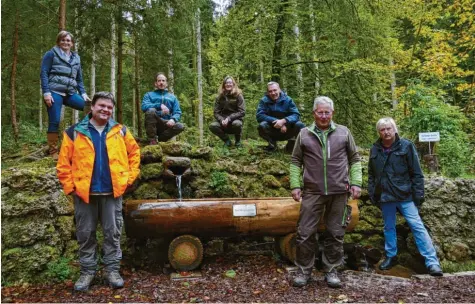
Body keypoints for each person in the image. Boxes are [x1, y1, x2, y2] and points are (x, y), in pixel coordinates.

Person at [57, 92, 141, 291]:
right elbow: (63, 164)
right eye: (101, 106)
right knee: (85, 235)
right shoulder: (74, 132)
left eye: (109, 107)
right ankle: (87, 273)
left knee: (113, 234)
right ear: (92, 107)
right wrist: (71, 187)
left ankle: (112, 271)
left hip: (112, 193)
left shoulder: (120, 131)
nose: (105, 110)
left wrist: (127, 179)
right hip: (85, 195)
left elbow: (135, 153)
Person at [289, 96, 362, 288]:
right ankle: (304, 270)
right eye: (320, 112)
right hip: (312, 191)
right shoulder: (304, 134)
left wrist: (356, 183)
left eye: (326, 112)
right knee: (305, 232)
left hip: (339, 191)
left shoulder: (344, 133)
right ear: (314, 113)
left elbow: (354, 159)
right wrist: (295, 185)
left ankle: (331, 270)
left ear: (332, 113)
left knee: (336, 233)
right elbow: (296, 161)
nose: (323, 116)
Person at [368, 117, 443, 276]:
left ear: (395, 129)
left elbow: (416, 173)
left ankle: (432, 262)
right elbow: (371, 174)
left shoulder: (407, 146)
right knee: (388, 227)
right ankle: (391, 256)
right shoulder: (375, 149)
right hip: (385, 195)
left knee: (417, 226)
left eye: (389, 128)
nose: (386, 132)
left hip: (405, 195)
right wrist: (373, 192)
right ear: (379, 132)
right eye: (383, 129)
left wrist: (418, 196)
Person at [40, 30, 91, 159]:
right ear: (58, 41)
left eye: (68, 40)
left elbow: (79, 78)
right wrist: (46, 92)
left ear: (72, 43)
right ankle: (53, 151)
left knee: (90, 109)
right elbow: (44, 73)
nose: (65, 42)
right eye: (63, 40)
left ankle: (81, 140)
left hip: (70, 93)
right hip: (54, 92)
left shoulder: (76, 58)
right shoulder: (51, 54)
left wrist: (83, 93)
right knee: (55, 120)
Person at [256, 82, 305, 152]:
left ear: (279, 90)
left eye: (275, 90)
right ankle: (272, 145)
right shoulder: (264, 101)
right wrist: (277, 121)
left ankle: (293, 144)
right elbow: (259, 116)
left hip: (288, 129)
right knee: (262, 126)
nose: (273, 93)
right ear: (267, 92)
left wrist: (284, 121)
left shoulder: (288, 100)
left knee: (300, 125)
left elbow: (296, 115)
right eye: (270, 91)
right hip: (273, 129)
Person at [141, 73, 184, 144]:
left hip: (166, 124)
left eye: (163, 81)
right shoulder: (149, 95)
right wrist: (159, 105)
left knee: (180, 126)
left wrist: (173, 119)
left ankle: (161, 139)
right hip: (153, 123)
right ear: (155, 83)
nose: (161, 82)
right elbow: (144, 107)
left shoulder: (172, 97)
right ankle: (152, 140)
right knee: (151, 111)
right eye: (159, 81)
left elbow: (177, 112)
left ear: (166, 83)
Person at [209, 76, 246, 147]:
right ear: (224, 85)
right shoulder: (219, 97)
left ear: (233, 84)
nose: (228, 84)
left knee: (237, 124)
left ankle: (238, 142)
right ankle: (227, 141)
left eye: (230, 83)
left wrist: (229, 118)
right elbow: (216, 112)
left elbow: (242, 112)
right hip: (223, 122)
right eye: (226, 83)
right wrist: (221, 120)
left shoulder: (238, 95)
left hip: (235, 121)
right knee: (212, 126)